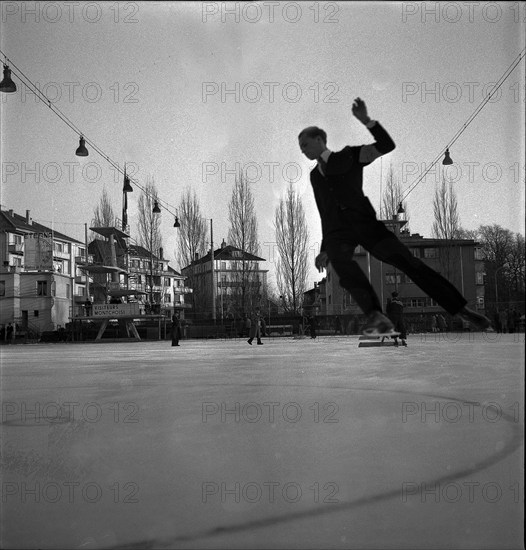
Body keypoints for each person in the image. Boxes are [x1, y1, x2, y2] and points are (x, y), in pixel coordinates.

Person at [298, 97, 491, 336]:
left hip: (364, 222)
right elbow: (324, 211)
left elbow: (387, 145)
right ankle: (376, 316)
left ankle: (461, 309)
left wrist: (367, 121)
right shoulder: (315, 176)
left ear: (319, 139)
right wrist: (325, 246)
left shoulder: (350, 155)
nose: (303, 150)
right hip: (339, 231)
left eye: (305, 144)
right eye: (301, 147)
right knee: (340, 263)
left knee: (408, 263)